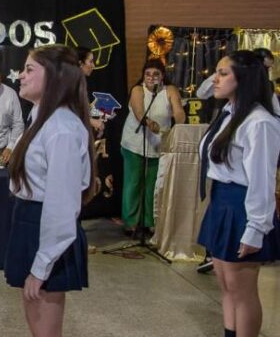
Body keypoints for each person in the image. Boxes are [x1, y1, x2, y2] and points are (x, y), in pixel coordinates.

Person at [5, 45, 95, 336]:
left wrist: (42, 265)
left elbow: (62, 205)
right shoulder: (40, 117)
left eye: (30, 69)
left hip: (47, 228)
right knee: (35, 322)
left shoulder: (62, 128)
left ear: (55, 76)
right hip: (31, 221)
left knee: (45, 328)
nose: (21, 75)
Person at [197, 51, 280, 337]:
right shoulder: (231, 111)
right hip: (222, 201)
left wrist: (256, 227)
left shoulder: (259, 121)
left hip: (242, 206)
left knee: (242, 291)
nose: (214, 79)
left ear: (242, 79)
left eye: (222, 73)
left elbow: (262, 179)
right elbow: (206, 90)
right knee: (226, 286)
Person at [119, 58, 185, 233]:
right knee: (133, 184)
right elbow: (139, 111)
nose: (151, 77)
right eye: (148, 74)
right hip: (134, 144)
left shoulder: (169, 90)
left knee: (153, 186)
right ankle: (131, 222)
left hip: (159, 144)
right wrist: (148, 122)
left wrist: (179, 125)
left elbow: (178, 111)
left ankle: (149, 222)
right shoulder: (137, 89)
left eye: (156, 74)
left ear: (162, 76)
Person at [197, 48, 279, 114]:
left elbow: (275, 111)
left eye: (268, 68)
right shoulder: (232, 76)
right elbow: (201, 94)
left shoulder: (268, 86)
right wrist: (221, 74)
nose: (262, 71)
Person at [76, 46, 106, 138]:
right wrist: (93, 122)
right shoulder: (69, 84)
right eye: (90, 61)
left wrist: (99, 115)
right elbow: (69, 112)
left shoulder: (81, 83)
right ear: (80, 63)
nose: (93, 66)